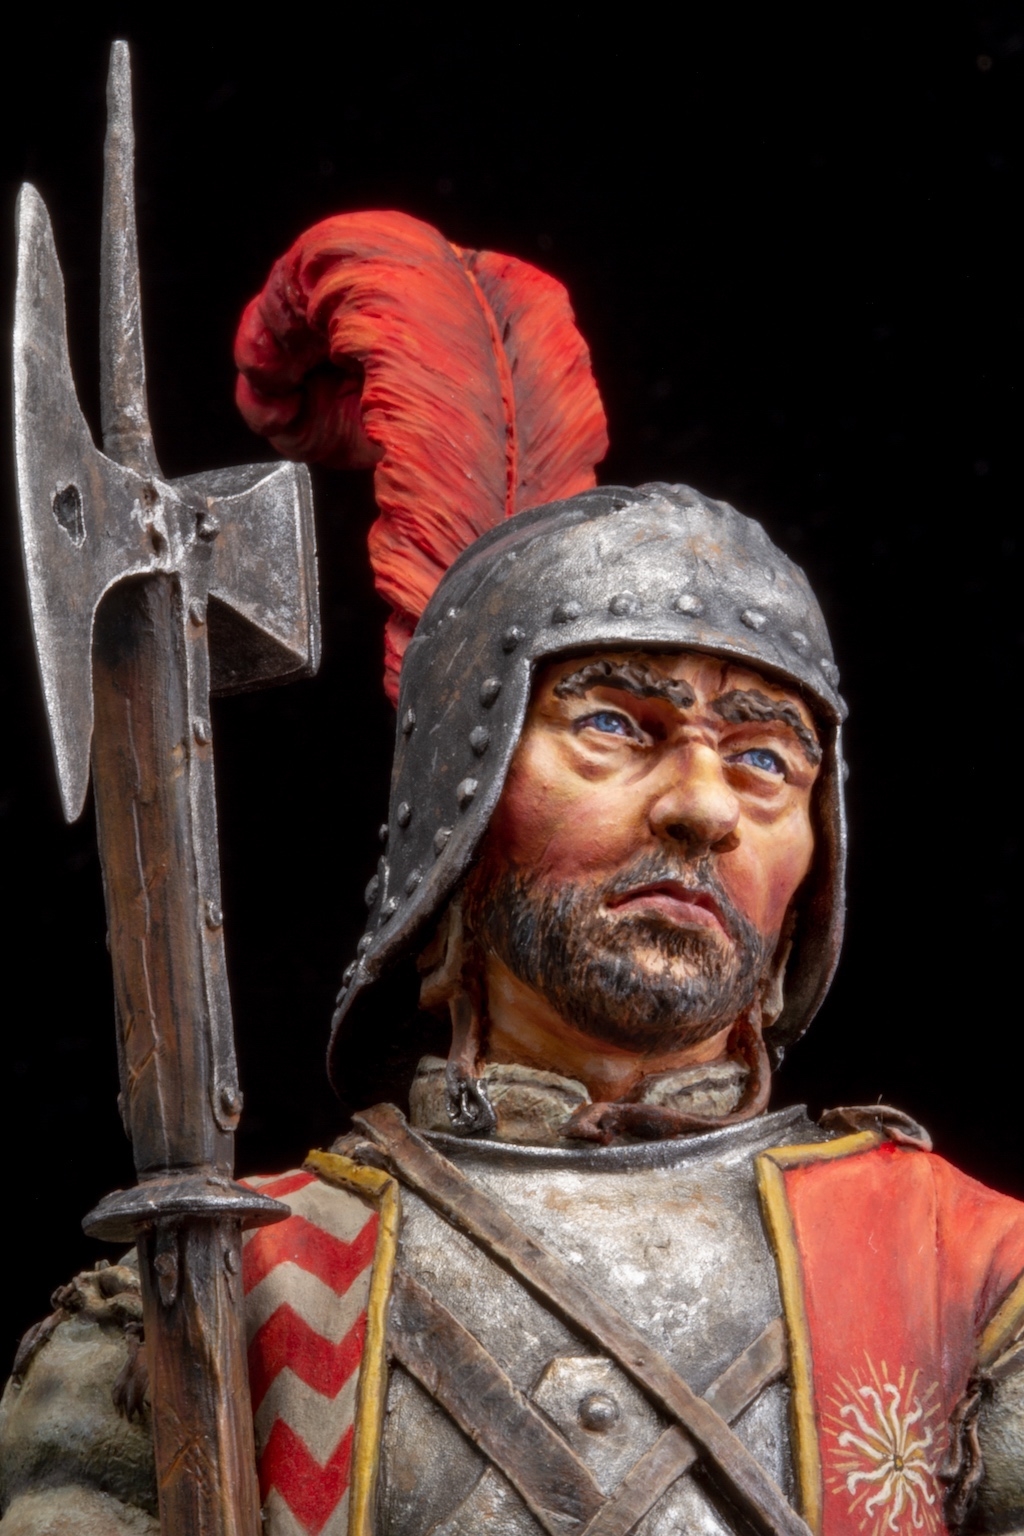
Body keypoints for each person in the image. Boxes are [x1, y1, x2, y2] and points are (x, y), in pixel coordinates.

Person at [1, 214, 1022, 1536]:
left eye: (766, 758)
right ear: (465, 808)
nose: (704, 805)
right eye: (617, 728)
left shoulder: (966, 1282)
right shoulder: (228, 1294)